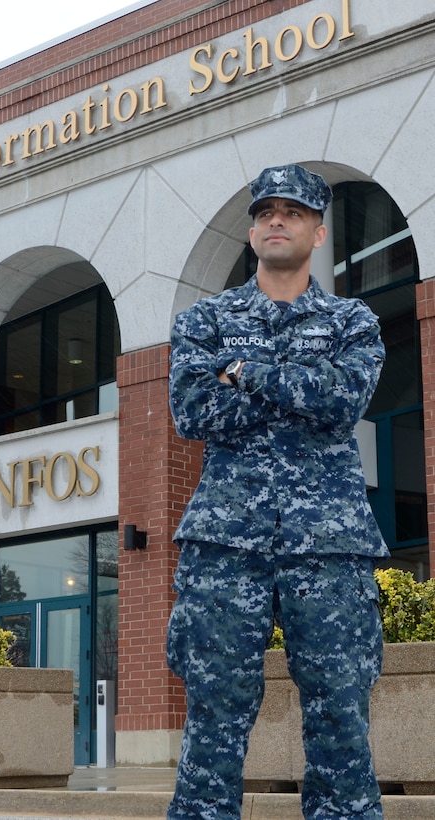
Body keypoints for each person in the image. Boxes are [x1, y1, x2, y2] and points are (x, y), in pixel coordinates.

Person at [166, 164, 389, 820]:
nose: (277, 221)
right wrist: (295, 386)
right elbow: (191, 412)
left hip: (329, 545)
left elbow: (342, 401)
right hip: (224, 543)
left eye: (293, 212)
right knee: (212, 720)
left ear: (318, 231)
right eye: (266, 212)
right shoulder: (205, 320)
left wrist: (247, 372)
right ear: (253, 228)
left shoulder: (353, 321)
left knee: (341, 717)